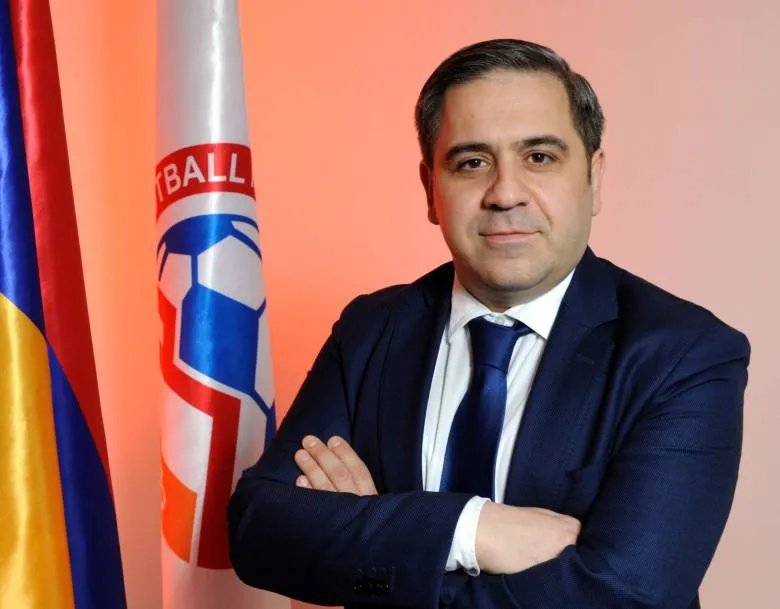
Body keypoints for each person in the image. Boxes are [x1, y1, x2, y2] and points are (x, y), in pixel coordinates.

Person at [228, 39, 750, 609]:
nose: (504, 193)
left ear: (594, 177)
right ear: (430, 189)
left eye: (539, 157)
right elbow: (259, 532)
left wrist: (380, 540)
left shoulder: (684, 353)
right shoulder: (371, 330)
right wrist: (473, 529)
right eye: (472, 162)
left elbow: (628, 595)